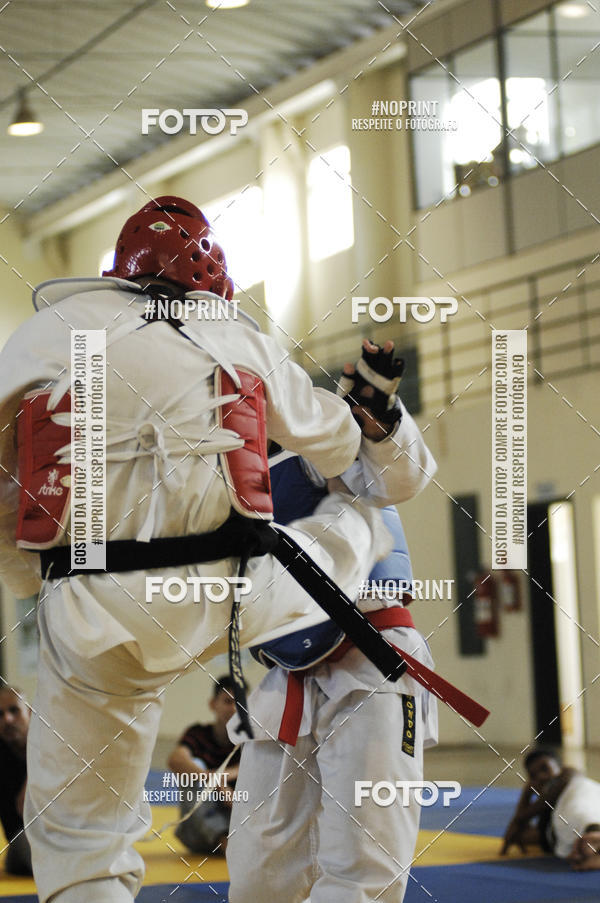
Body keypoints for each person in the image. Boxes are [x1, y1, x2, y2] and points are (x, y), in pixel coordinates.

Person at [0, 195, 408, 903]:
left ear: (117, 272)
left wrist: (23, 576)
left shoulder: (48, 330)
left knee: (82, 838)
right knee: (356, 516)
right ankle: (362, 539)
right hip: (228, 591)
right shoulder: (238, 335)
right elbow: (340, 442)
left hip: (94, 602)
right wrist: (369, 420)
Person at [226, 340, 441, 903]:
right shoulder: (215, 473)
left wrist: (380, 421)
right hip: (285, 677)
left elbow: (400, 477)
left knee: (364, 865)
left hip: (371, 660)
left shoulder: (324, 430)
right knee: (256, 866)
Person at [168, 675, 240, 855]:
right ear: (212, 704)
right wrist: (215, 781)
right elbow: (175, 760)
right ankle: (224, 841)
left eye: (239, 703)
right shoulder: (198, 734)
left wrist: (224, 779)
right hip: (198, 833)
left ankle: (234, 842)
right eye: (227, 701)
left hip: (238, 828)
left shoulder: (248, 742)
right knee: (192, 768)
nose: (233, 708)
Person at [502, 747, 600, 866]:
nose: (541, 777)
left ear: (560, 768)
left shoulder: (569, 776)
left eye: (545, 768)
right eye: (533, 776)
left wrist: (526, 798)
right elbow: (514, 834)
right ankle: (592, 844)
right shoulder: (550, 818)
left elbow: (521, 818)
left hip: (584, 793)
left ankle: (594, 836)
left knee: (579, 810)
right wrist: (526, 793)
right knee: (571, 819)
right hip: (562, 826)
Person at [0, 686, 32, 876]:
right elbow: (23, 808)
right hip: (23, 836)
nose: (7, 720)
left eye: (14, 710)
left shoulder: (55, 745)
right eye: (0, 714)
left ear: (29, 712)